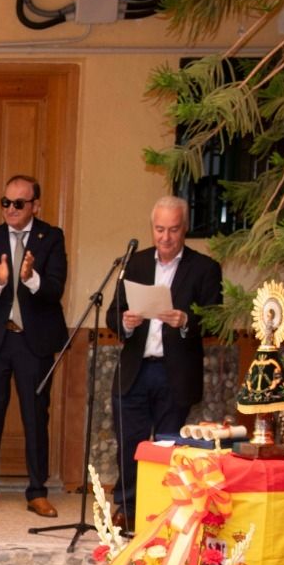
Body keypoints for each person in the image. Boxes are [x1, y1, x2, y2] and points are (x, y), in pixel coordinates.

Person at [110, 195, 222, 526]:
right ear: (152, 229)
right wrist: (125, 324)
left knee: (170, 447)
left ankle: (166, 514)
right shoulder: (136, 263)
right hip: (136, 369)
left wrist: (186, 321)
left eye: (173, 230)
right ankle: (127, 511)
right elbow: (112, 313)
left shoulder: (204, 268)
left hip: (176, 373)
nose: (166, 237)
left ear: (184, 229)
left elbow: (215, 319)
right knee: (131, 443)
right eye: (159, 229)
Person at [0, 174, 68, 517]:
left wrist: (30, 279)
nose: (11, 209)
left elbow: (55, 290)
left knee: (36, 419)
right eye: (6, 202)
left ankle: (37, 491)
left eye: (19, 203)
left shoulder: (51, 238)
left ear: (35, 205)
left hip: (33, 342)